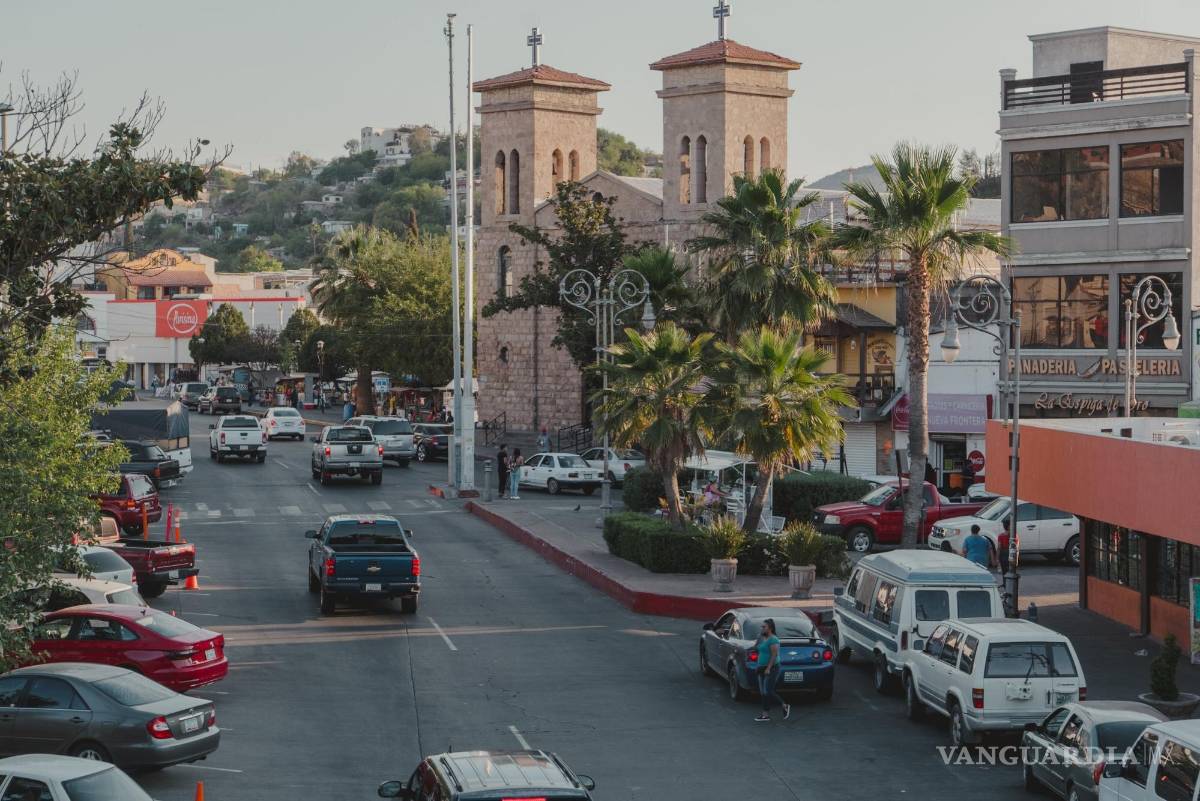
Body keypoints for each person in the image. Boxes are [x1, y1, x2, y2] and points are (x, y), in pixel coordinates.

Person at [753, 619, 790, 722]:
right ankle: (766, 714)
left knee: (768, 691)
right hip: (761, 667)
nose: (762, 628)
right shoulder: (761, 637)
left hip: (772, 668)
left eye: (764, 627)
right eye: (762, 626)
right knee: (763, 692)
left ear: (770, 628)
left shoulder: (774, 639)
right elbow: (756, 648)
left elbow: (774, 655)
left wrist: (768, 668)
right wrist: (757, 640)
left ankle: (784, 705)